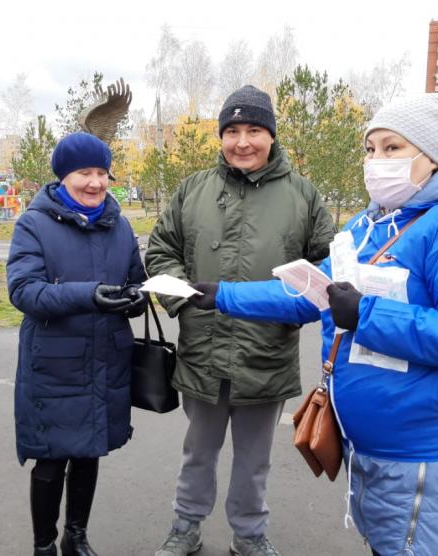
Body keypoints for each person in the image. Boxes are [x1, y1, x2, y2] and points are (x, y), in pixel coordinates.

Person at [190, 93, 438, 556]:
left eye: (393, 148)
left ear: (436, 157)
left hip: (432, 459)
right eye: (370, 148)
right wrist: (222, 295)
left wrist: (367, 314)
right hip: (373, 455)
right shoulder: (369, 225)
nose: (376, 161)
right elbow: (311, 291)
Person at [146, 85, 336, 556]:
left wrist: (295, 307)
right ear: (221, 137)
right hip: (202, 353)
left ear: (271, 135)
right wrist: (182, 297)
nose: (242, 142)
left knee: (254, 461)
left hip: (265, 355)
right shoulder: (193, 190)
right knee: (198, 454)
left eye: (254, 130)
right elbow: (161, 250)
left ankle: (249, 535)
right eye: (232, 131)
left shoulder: (303, 196)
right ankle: (185, 529)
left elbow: (330, 270)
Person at [6, 132, 148, 556]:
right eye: (84, 173)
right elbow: (24, 292)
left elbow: (135, 280)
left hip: (105, 360)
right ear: (64, 177)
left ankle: (76, 535)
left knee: (90, 453)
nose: (95, 183)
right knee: (51, 459)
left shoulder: (119, 225)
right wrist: (88, 294)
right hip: (54, 365)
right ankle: (44, 544)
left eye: (102, 172)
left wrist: (138, 297)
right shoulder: (34, 223)